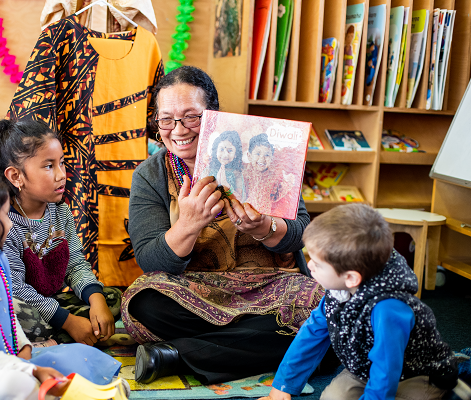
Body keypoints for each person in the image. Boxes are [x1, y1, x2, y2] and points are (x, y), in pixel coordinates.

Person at [121, 65, 325, 385]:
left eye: (192, 116)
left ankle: (176, 353)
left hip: (269, 286)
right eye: (166, 119)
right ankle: (250, 343)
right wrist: (188, 224)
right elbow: (151, 260)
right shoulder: (150, 175)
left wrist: (263, 227)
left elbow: (299, 233)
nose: (178, 130)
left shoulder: (261, 159)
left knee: (324, 310)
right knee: (142, 301)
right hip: (194, 292)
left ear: (215, 115)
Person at [0, 166, 122, 400]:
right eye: (5, 216)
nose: (10, 222)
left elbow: (9, 316)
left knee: (76, 356)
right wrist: (31, 369)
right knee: (16, 382)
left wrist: (24, 349)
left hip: (7, 359)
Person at [260, 203, 459, 400]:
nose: (309, 266)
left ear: (351, 278)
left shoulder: (389, 308)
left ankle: (458, 382)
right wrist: (283, 385)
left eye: (318, 264)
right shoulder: (339, 289)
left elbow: (386, 367)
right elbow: (312, 334)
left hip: (417, 374)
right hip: (365, 365)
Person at [0, 119, 121, 346]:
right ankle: (67, 334)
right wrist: (69, 321)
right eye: (48, 166)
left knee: (111, 298)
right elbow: (16, 288)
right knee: (15, 313)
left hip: (50, 302)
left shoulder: (61, 213)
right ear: (16, 176)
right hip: (22, 304)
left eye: (61, 163)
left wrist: (97, 300)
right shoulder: (4, 223)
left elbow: (76, 265)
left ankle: (59, 337)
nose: (61, 174)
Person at [243, 133, 296, 217]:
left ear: (272, 158)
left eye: (267, 155)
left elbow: (275, 197)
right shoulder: (244, 172)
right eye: (257, 153)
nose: (262, 158)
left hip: (264, 217)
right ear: (249, 156)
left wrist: (287, 182)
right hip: (244, 213)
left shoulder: (273, 177)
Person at [202, 130, 245, 199]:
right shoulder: (209, 169)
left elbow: (240, 199)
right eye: (221, 149)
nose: (225, 155)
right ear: (216, 151)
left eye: (230, 150)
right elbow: (199, 188)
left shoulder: (237, 173)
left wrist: (226, 185)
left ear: (236, 154)